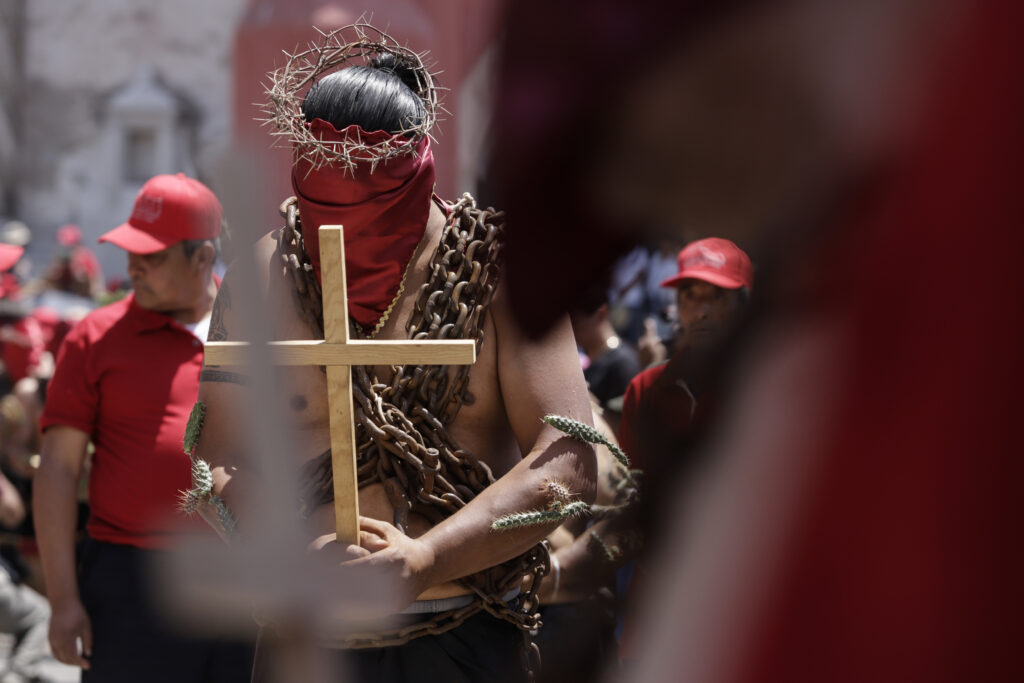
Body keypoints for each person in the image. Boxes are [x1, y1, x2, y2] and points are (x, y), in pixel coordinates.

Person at [187, 27, 596, 682]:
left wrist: (426, 559)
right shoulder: (260, 274)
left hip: (464, 633)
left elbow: (570, 461)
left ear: (416, 165)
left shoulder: (501, 274)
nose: (344, 225)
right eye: (326, 194)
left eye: (370, 195)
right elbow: (217, 452)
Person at [33, 174, 253, 682]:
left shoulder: (257, 335)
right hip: (133, 584)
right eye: (131, 250)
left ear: (202, 258)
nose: (133, 266)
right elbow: (59, 472)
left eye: (152, 256)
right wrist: (63, 600)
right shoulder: (94, 338)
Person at [618, 237, 752, 481]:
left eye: (718, 296)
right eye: (690, 296)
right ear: (677, 306)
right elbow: (629, 492)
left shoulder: (766, 390)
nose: (702, 312)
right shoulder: (644, 389)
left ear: (744, 306)